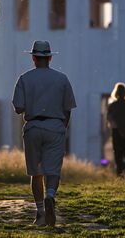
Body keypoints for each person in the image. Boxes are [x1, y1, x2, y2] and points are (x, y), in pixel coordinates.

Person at [12, 40, 76, 227]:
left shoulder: (24, 78)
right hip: (55, 126)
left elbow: (18, 108)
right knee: (53, 170)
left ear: (33, 58)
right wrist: (62, 126)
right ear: (49, 58)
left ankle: (40, 212)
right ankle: (50, 196)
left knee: (36, 172)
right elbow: (68, 107)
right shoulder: (62, 79)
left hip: (33, 127)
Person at [107, 82, 125, 176]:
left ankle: (120, 175)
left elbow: (110, 120)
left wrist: (119, 131)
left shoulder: (112, 106)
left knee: (118, 156)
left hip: (117, 134)